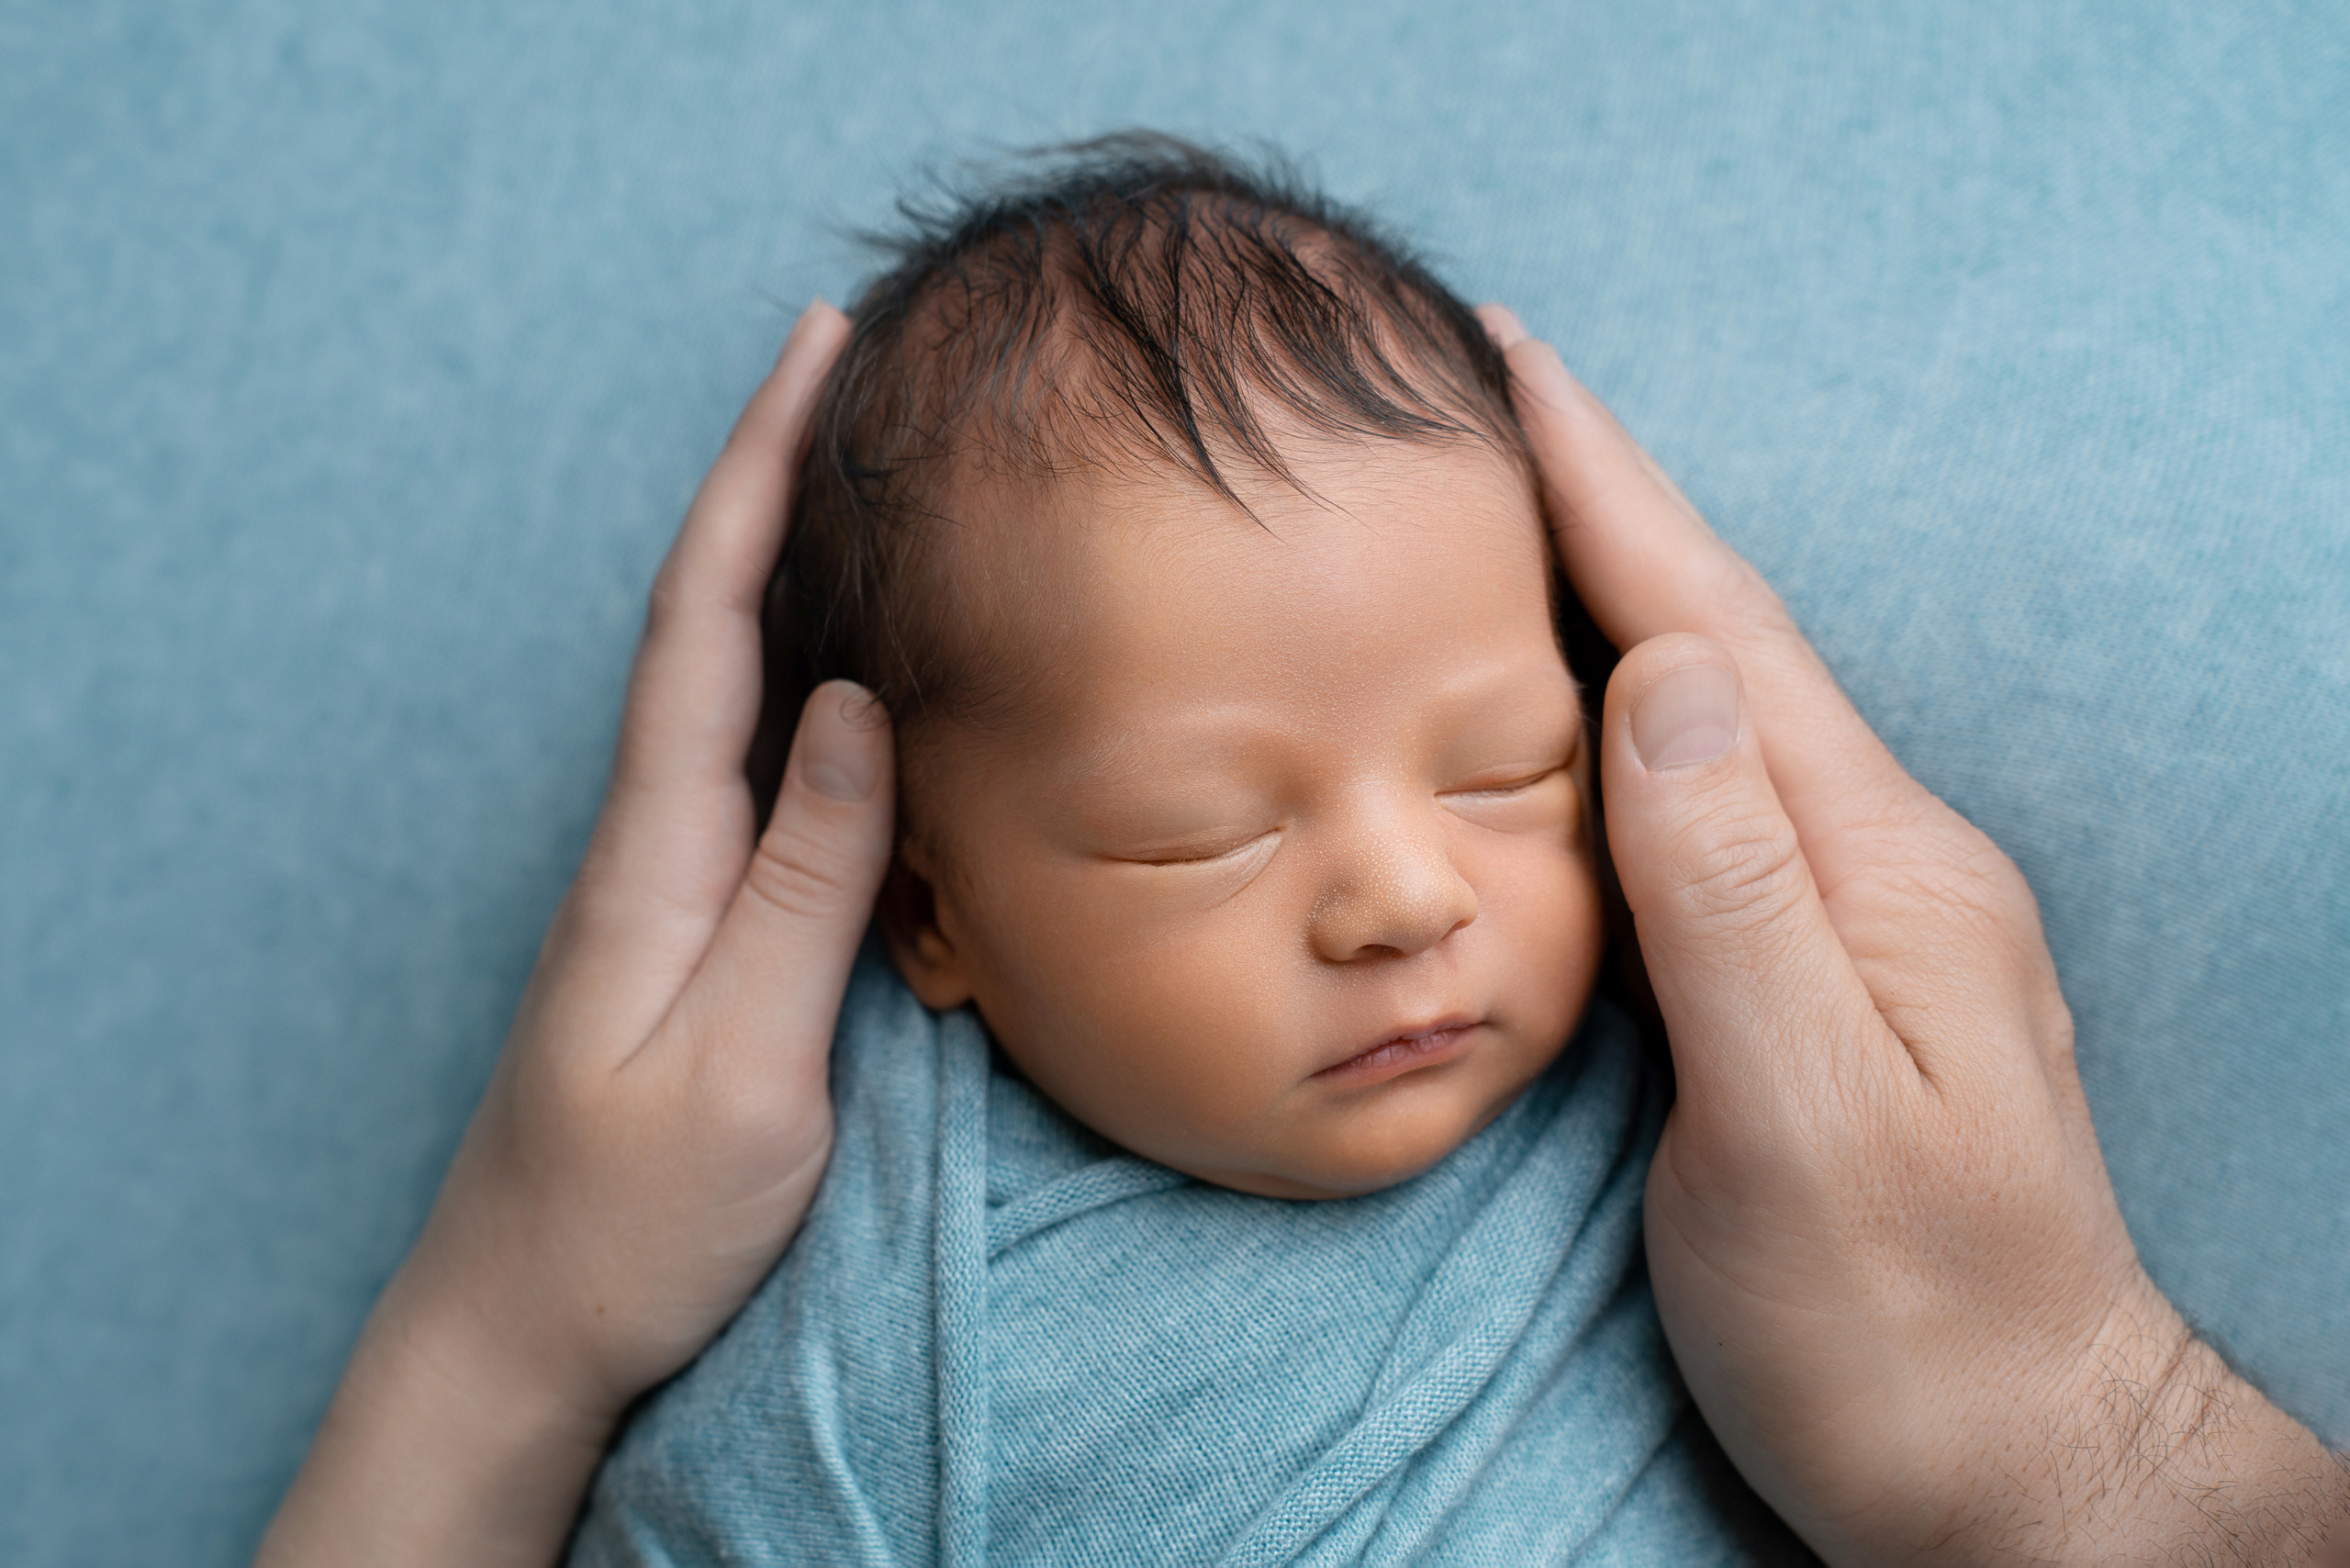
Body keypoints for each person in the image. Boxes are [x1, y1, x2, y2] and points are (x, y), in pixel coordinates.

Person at [257, 140, 2350, 1566]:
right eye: (1194, 831)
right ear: (928, 907)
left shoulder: (1750, 1138)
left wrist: (2079, 1427)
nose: (1401, 894)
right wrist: (506, 1319)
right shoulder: (870, 1348)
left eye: (1503, 767)